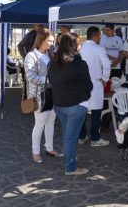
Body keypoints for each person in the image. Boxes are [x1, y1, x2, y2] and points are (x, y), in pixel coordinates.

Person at [48, 33, 93, 176]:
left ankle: (70, 157)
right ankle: (70, 167)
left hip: (59, 105)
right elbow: (88, 85)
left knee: (68, 134)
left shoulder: (53, 62)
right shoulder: (79, 64)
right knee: (71, 137)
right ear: (74, 46)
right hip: (76, 106)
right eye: (79, 44)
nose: (80, 46)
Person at [24, 30, 62, 163]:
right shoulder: (31, 56)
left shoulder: (51, 54)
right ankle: (35, 152)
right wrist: (49, 80)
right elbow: (30, 77)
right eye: (49, 41)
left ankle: (49, 148)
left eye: (53, 41)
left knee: (51, 121)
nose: (52, 44)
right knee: (39, 124)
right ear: (40, 41)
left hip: (53, 94)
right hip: (39, 96)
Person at [79, 26, 112, 147]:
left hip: (82, 84)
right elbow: (107, 65)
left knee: (82, 111)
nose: (100, 38)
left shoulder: (80, 48)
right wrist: (105, 79)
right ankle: (95, 138)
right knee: (96, 111)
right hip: (96, 83)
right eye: (100, 35)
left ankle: (81, 136)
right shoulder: (99, 49)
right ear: (96, 35)